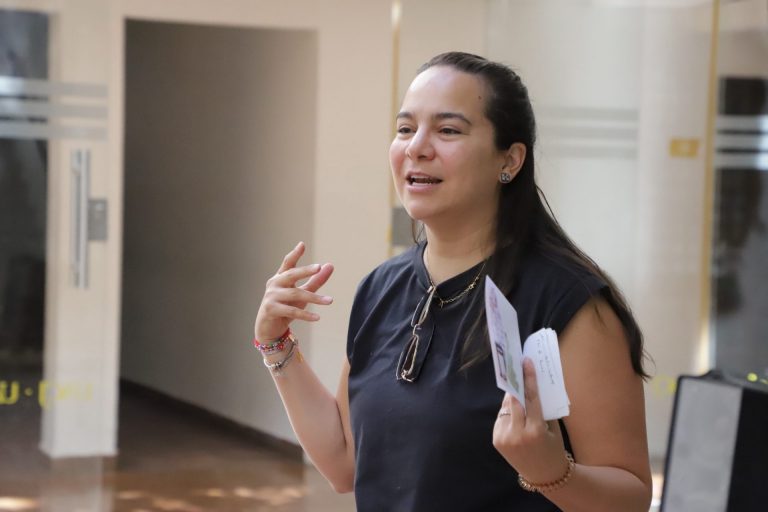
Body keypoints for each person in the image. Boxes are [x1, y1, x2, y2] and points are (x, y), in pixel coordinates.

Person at [253, 51, 652, 511]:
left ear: (510, 159)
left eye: (448, 130)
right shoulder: (381, 288)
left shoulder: (570, 303)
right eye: (406, 129)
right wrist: (276, 343)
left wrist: (550, 472)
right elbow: (345, 463)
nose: (416, 148)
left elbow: (632, 497)